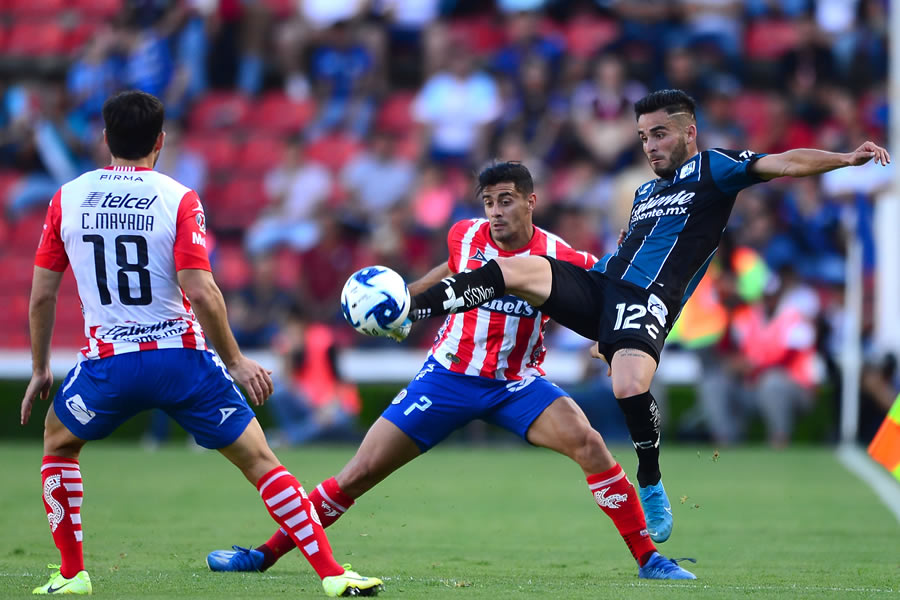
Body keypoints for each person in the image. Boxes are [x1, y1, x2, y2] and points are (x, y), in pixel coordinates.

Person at [395, 89, 891, 543]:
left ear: (688, 132)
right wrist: (602, 328)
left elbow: (782, 163)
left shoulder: (715, 169)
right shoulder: (645, 195)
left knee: (628, 387)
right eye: (643, 137)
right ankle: (410, 309)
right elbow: (626, 254)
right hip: (605, 289)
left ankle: (650, 480)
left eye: (659, 134)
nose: (650, 146)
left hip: (648, 300)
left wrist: (844, 159)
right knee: (512, 269)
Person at [206, 162, 697, 581]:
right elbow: (448, 272)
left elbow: (605, 300)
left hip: (516, 383)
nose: (496, 212)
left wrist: (606, 341)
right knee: (357, 473)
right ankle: (262, 556)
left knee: (590, 445)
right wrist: (406, 301)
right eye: (488, 202)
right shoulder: (465, 235)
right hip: (446, 378)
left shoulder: (563, 256)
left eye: (506, 200)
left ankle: (649, 558)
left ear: (531, 201)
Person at [19, 90, 382, 597]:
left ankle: (72, 574)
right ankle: (332, 574)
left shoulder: (67, 198)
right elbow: (201, 289)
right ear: (160, 142)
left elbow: (41, 296)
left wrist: (40, 368)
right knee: (262, 462)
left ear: (105, 139)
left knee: (58, 443)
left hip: (108, 365)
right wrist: (233, 359)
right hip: (182, 362)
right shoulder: (178, 197)